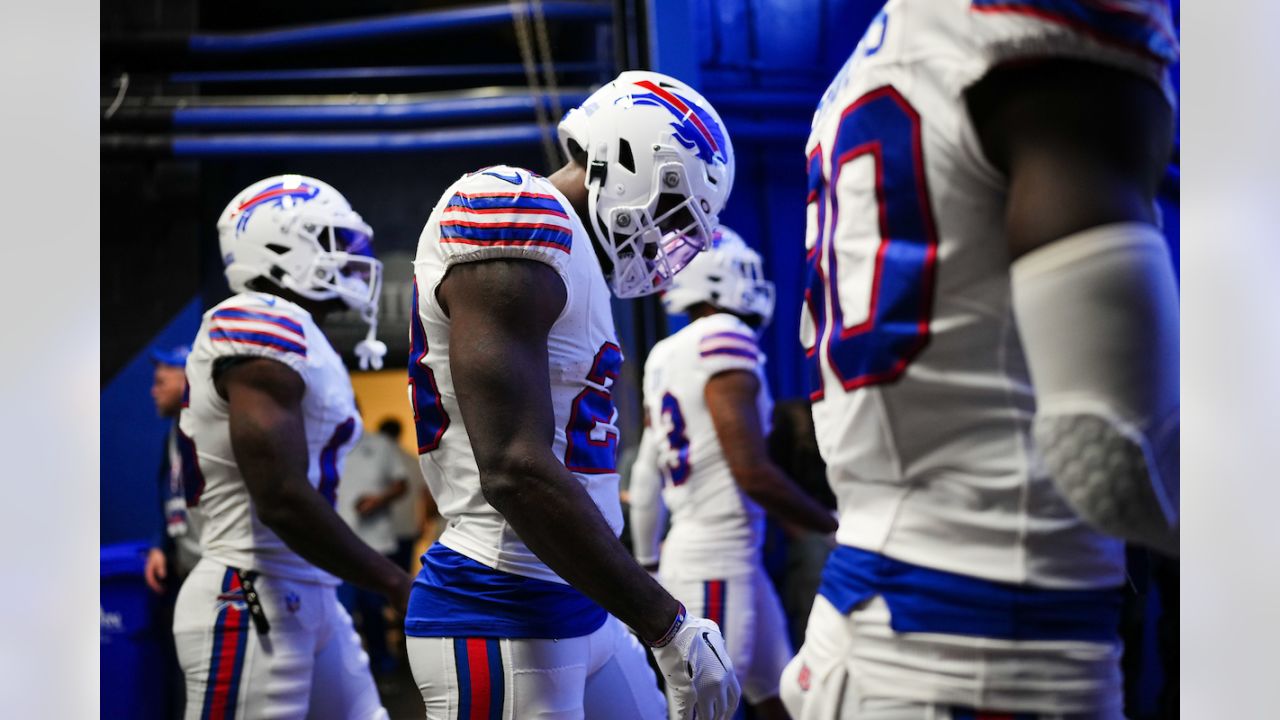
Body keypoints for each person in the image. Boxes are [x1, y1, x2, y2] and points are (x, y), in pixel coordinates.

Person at [780, 2, 1180, 719]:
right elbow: (1117, 443)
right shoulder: (1020, 26)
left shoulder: (877, 56)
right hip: (988, 651)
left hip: (863, 623)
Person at [406, 71, 741, 720]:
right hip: (501, 602)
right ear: (633, 162)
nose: (666, 238)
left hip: (577, 598)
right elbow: (512, 467)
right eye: (671, 208)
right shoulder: (514, 215)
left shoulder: (565, 250)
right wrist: (667, 625)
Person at [174, 174, 412, 719]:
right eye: (331, 241)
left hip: (304, 587)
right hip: (251, 588)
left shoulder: (298, 331)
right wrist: (394, 581)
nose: (349, 257)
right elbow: (279, 494)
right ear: (280, 248)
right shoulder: (257, 320)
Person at [629, 228, 838, 720]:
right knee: (707, 714)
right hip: (718, 563)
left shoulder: (664, 354)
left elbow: (645, 475)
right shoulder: (726, 337)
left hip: (704, 555)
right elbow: (752, 471)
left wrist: (649, 562)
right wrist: (832, 524)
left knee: (780, 694)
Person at [336, 419, 410, 675]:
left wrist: (378, 500)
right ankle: (347, 673)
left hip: (374, 546)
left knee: (373, 611)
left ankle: (383, 667)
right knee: (341, 614)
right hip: (336, 547)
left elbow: (402, 484)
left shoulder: (380, 444)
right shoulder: (321, 443)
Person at [144, 344, 204, 597]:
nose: (153, 391)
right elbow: (169, 492)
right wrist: (160, 546)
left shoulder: (208, 431)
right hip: (188, 569)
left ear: (188, 381)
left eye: (161, 382)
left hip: (219, 572)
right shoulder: (173, 434)